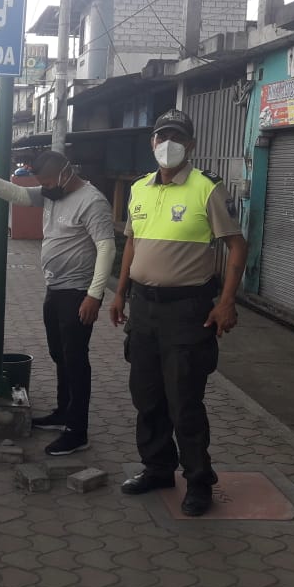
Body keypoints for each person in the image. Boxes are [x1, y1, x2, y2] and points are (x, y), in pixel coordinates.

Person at [110, 109, 247, 517]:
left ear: (190, 145)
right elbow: (131, 245)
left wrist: (226, 302)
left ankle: (199, 481)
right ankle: (157, 468)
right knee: (146, 396)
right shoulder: (139, 188)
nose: (167, 144)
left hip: (187, 312)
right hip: (143, 309)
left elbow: (236, 246)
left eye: (177, 137)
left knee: (184, 399)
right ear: (152, 142)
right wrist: (120, 293)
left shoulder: (207, 188)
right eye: (161, 136)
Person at [0, 151, 116, 456]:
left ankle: (77, 431)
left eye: (49, 182)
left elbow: (106, 248)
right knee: (59, 355)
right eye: (43, 184)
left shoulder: (92, 202)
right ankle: (63, 412)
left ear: (66, 172)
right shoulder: (54, 193)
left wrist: (94, 295)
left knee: (76, 361)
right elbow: (18, 194)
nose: (46, 188)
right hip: (55, 289)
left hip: (78, 293)